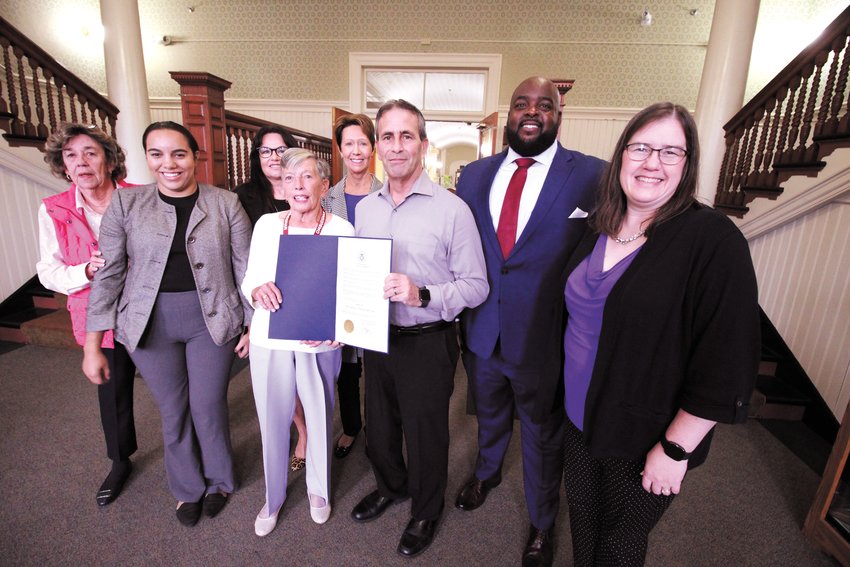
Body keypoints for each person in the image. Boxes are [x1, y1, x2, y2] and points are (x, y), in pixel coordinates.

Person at [560, 102, 760, 566]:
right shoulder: (598, 225)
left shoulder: (712, 239)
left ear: (687, 165)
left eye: (671, 152)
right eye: (642, 148)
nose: (652, 162)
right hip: (577, 416)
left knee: (620, 543)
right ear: (622, 157)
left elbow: (727, 360)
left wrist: (675, 449)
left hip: (646, 432)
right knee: (583, 525)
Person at [454, 76, 605, 567]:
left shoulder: (592, 176)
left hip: (545, 336)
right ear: (510, 113)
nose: (532, 112)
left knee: (542, 434)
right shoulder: (474, 176)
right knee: (490, 413)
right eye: (521, 104)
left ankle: (542, 521)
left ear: (559, 115)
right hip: (483, 329)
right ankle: (487, 471)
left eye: (544, 105)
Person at [82, 121, 252, 527]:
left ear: (195, 156)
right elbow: (109, 275)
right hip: (148, 325)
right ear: (147, 159)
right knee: (173, 410)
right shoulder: (126, 205)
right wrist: (93, 345)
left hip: (212, 319)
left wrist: (251, 324)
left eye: (179, 153)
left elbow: (247, 268)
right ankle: (187, 488)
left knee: (208, 405)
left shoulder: (225, 203)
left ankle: (220, 480)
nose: (169, 163)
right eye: (156, 154)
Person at [351, 99, 488, 558]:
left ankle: (426, 510)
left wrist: (423, 294)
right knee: (381, 427)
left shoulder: (452, 210)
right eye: (386, 137)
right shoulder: (366, 209)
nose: (395, 146)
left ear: (423, 145)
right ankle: (392, 487)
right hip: (375, 336)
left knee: (426, 432)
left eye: (406, 136)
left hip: (427, 341)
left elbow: (476, 286)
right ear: (377, 147)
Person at [242, 148, 354, 537]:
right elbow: (249, 277)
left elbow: (349, 291)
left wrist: (338, 327)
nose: (298, 186)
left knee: (320, 414)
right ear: (281, 186)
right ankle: (272, 498)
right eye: (289, 179)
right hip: (269, 337)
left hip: (317, 341)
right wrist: (256, 288)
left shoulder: (342, 229)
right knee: (272, 418)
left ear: (324, 185)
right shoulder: (267, 225)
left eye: (307, 177)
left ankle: (319, 491)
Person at [36, 123, 138, 507]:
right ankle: (119, 460)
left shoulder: (140, 198)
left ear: (110, 161)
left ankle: (189, 450)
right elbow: (49, 271)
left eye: (91, 153)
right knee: (112, 394)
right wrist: (86, 271)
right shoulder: (53, 210)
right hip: (96, 318)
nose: (81, 163)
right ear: (63, 165)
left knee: (174, 386)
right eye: (71, 155)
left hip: (146, 311)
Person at [234, 126, 309, 473]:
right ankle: (302, 430)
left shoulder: (306, 189)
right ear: (257, 157)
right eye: (265, 151)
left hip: (306, 295)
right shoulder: (242, 199)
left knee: (307, 374)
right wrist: (249, 324)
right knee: (281, 380)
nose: (274, 158)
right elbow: (240, 263)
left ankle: (310, 431)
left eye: (280, 150)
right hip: (265, 302)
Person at [321, 113, 382, 459]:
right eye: (349, 144)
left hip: (376, 300)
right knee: (345, 370)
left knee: (376, 372)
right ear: (340, 150)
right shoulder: (327, 199)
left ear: (372, 148)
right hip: (341, 298)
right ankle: (351, 427)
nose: (356, 150)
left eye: (363, 143)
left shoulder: (388, 195)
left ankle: (379, 429)